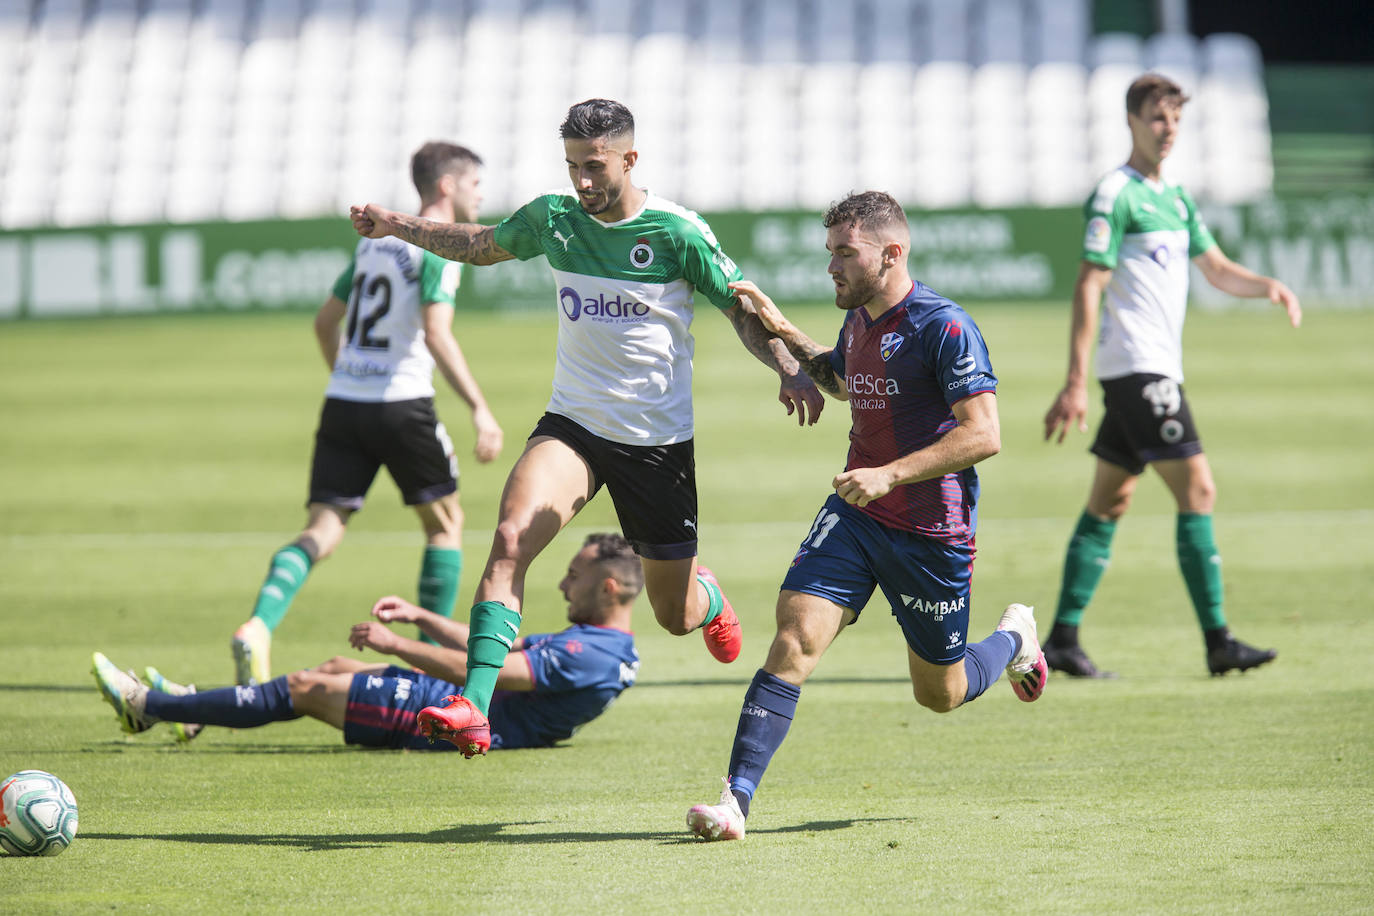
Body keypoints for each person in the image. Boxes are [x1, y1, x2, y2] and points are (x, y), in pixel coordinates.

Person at [349, 98, 825, 757]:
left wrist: (786, 367)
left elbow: (741, 308)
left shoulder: (676, 233)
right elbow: (480, 245)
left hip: (655, 446)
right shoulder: (555, 219)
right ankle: (474, 707)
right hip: (573, 426)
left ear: (629, 159)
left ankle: (708, 597)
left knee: (674, 615)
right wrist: (393, 223)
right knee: (510, 540)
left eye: (594, 166)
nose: (581, 181)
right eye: (572, 166)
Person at [684, 192, 1046, 842]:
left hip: (932, 531)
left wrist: (891, 473)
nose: (832, 267)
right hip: (856, 515)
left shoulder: (945, 325)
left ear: (891, 253)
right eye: (830, 254)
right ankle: (734, 803)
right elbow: (846, 379)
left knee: (940, 693)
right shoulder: (859, 321)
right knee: (795, 638)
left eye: (844, 254)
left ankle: (1016, 638)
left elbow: (984, 434)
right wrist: (781, 327)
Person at [1040, 73, 1302, 679]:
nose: (1169, 130)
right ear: (1132, 120)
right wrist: (1076, 380)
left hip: (1150, 366)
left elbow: (1214, 268)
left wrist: (1267, 287)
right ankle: (1218, 642)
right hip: (1137, 367)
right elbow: (1089, 284)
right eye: (1158, 118)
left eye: (1176, 120)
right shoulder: (1115, 193)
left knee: (1111, 499)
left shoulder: (1177, 197)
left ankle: (1061, 640)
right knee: (1199, 489)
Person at [230, 142, 505, 687]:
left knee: (322, 530)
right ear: (447, 186)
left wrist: (350, 377)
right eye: (475, 183)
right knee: (445, 525)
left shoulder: (373, 247)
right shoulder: (440, 249)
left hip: (344, 403)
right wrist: (481, 410)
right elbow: (437, 333)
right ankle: (430, 663)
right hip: (402, 403)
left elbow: (323, 324)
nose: (481, 193)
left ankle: (258, 625)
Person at [93, 533, 642, 752]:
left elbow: (494, 673)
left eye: (575, 575)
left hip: (451, 726)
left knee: (307, 687)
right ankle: (194, 710)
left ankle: (148, 708)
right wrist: (419, 614)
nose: (564, 583)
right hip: (458, 704)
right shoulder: (605, 646)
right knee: (333, 665)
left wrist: (395, 644)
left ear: (608, 586)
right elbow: (503, 648)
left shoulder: (587, 654)